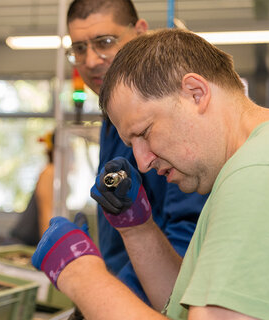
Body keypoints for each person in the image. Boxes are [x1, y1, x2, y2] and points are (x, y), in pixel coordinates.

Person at [33, 28, 269, 319]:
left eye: (145, 132)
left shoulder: (261, 172)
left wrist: (82, 276)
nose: (141, 162)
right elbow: (183, 309)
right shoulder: (265, 159)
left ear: (195, 94)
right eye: (131, 145)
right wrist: (137, 229)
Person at [66, 0, 207, 303]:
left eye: (104, 42)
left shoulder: (168, 115)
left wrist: (106, 295)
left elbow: (187, 238)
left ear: (140, 32)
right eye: (79, 48)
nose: (90, 60)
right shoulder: (112, 120)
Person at [9, 131, 54, 246]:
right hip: (22, 243)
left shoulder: (55, 174)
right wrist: (48, 248)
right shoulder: (50, 172)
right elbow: (46, 216)